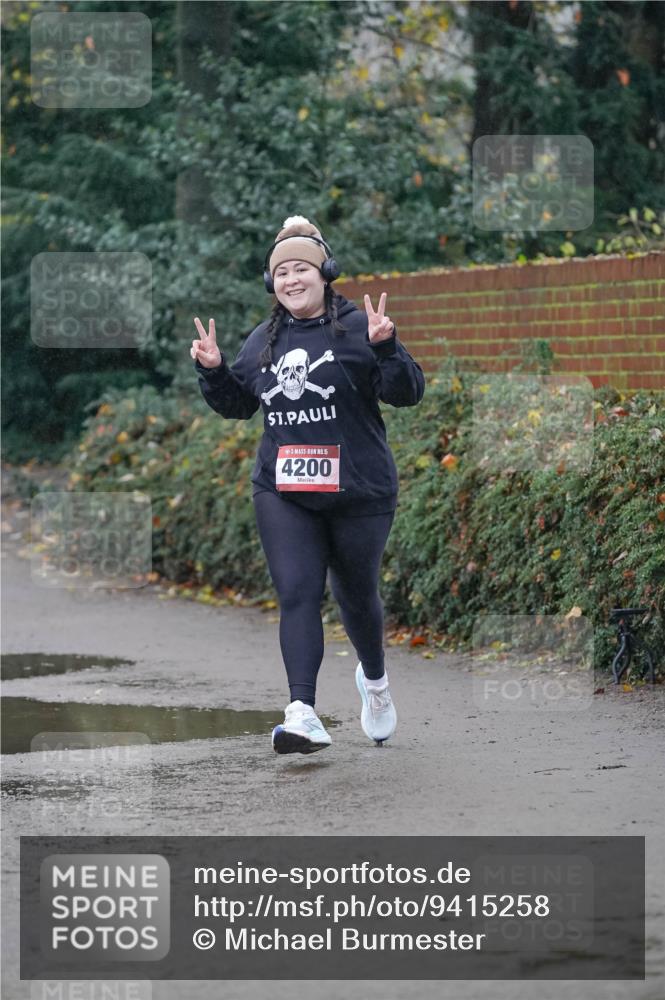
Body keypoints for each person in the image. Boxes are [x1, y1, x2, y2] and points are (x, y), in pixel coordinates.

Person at [191, 215, 425, 755]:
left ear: (325, 274)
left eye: (302, 269)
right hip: (284, 490)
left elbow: (408, 393)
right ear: (272, 283)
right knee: (297, 592)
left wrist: (387, 347)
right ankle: (302, 713)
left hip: (360, 491)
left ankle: (375, 683)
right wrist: (214, 370)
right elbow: (238, 406)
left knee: (356, 595)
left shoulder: (357, 328)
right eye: (283, 273)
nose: (292, 280)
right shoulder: (263, 341)